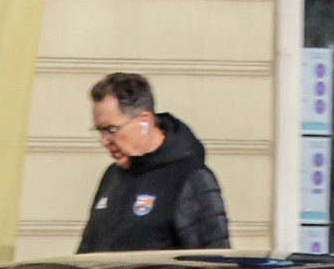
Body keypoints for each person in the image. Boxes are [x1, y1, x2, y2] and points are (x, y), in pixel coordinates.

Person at [77, 71, 230, 252]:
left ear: (145, 121)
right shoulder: (113, 175)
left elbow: (214, 265)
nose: (104, 141)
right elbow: (88, 251)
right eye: (100, 131)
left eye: (111, 129)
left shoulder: (190, 177)